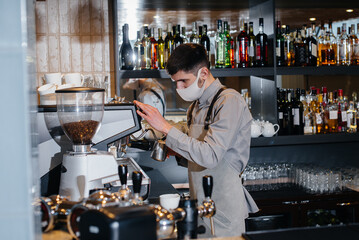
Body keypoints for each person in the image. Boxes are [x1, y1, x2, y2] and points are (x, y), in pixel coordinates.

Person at [134, 43, 258, 237]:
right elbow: (196, 153)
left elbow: (210, 156)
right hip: (200, 206)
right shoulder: (196, 106)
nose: (179, 88)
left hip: (224, 210)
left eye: (184, 81)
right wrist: (174, 149)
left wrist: (165, 127)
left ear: (203, 73)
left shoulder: (229, 101)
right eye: (175, 82)